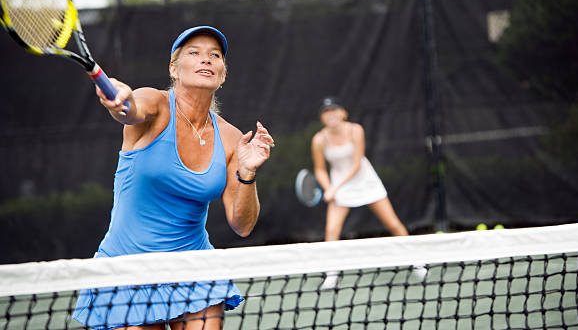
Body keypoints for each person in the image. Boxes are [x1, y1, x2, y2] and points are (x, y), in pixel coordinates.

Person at [72, 26, 275, 330]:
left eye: (214, 55)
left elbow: (242, 225)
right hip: (128, 267)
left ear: (222, 74)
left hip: (193, 267)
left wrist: (247, 173)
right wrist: (121, 99)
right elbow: (130, 108)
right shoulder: (155, 106)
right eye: (194, 53)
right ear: (174, 69)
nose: (205, 60)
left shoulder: (232, 138)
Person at [311, 96, 415, 288]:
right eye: (326, 111)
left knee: (393, 224)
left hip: (365, 180)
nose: (331, 114)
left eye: (334, 109)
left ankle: (416, 262)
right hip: (338, 186)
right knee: (331, 230)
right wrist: (328, 188)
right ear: (322, 117)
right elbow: (319, 170)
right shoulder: (319, 139)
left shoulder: (356, 130)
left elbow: (357, 163)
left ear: (343, 113)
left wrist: (335, 188)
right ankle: (331, 273)